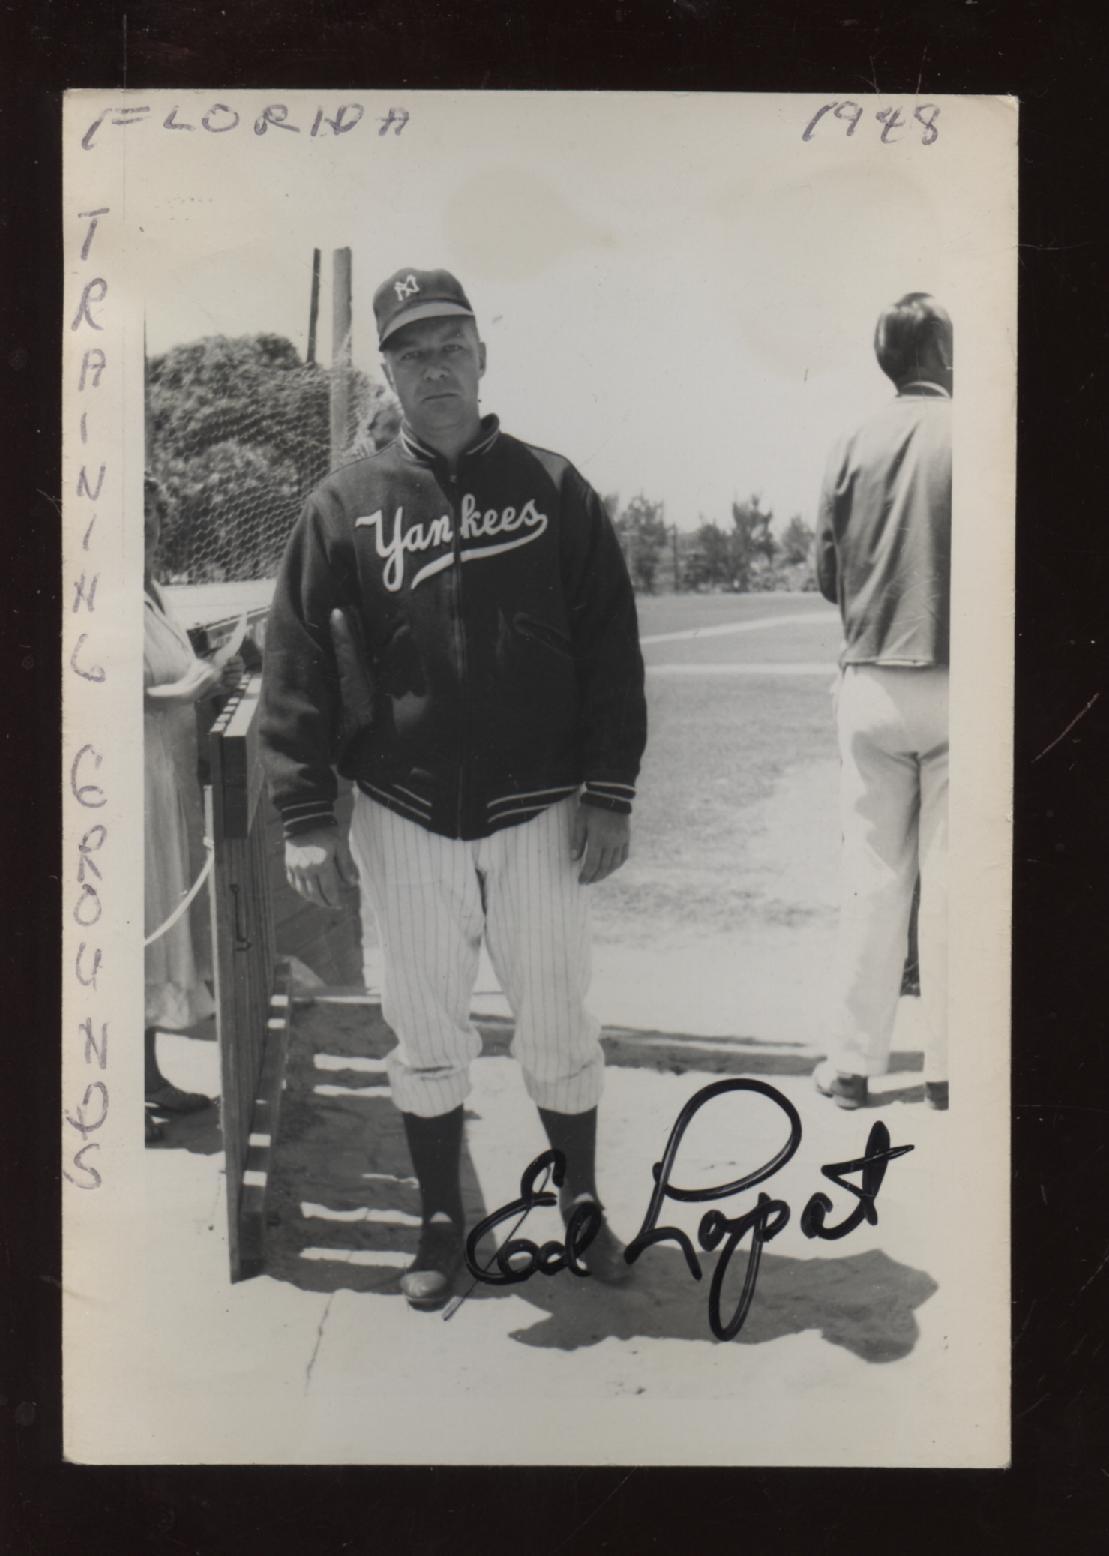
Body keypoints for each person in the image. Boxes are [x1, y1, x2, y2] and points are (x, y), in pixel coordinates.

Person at [259, 268, 648, 1309]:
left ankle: (577, 1204)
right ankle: (442, 1217)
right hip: (404, 806)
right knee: (423, 1024)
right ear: (385, 370)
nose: (433, 365)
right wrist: (306, 813)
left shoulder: (552, 484)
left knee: (557, 1015)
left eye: (450, 345)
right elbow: (292, 660)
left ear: (482, 355)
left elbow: (611, 648)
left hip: (540, 808)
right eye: (410, 350)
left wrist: (609, 791)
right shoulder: (343, 503)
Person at [813, 293, 952, 1112]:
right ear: (934, 350)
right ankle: (946, 1068)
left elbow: (827, 574)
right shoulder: (974, 428)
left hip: (867, 676)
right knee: (951, 880)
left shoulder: (849, 441)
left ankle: (851, 1064)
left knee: (871, 880)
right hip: (955, 675)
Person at [144, 474, 242, 1142]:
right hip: (130, 786)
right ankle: (114, 1099)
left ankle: (146, 1079)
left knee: (160, 922)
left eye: (152, 516)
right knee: (139, 925)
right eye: (132, 517)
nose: (145, 528)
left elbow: (174, 679)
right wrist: (188, 686)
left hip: (169, 779)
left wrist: (214, 676)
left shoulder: (150, 592)